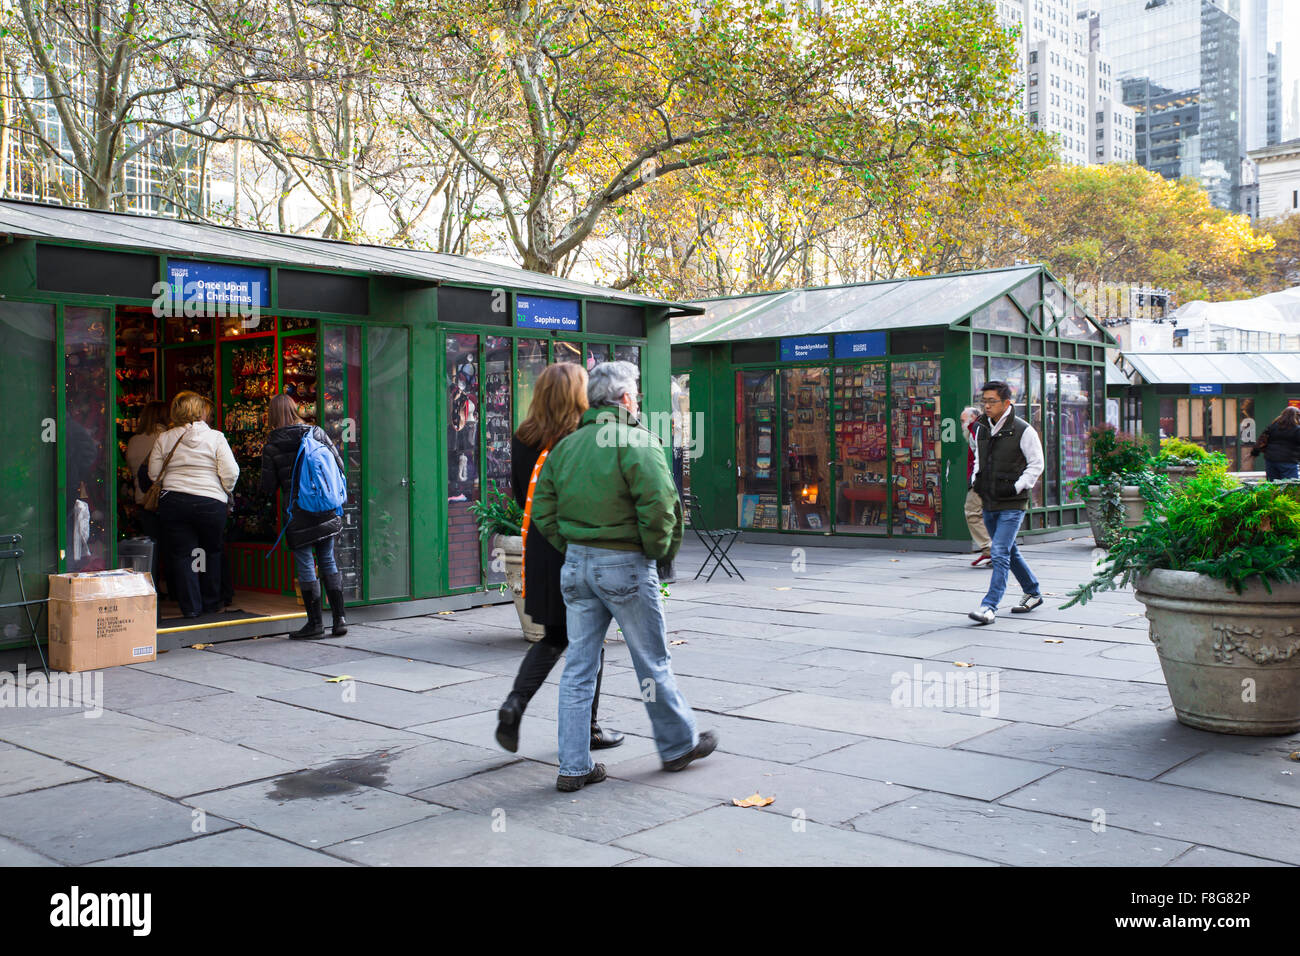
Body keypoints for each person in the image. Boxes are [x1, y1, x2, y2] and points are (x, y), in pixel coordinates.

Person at [531, 361, 716, 792]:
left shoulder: (566, 446)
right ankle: (676, 746)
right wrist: (656, 554)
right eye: (636, 393)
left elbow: (543, 511)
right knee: (651, 661)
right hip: (625, 564)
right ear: (626, 398)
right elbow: (663, 508)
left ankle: (574, 766)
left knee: (579, 666)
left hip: (577, 565)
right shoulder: (637, 440)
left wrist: (574, 547)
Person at [495, 364, 624, 754]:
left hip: (539, 541)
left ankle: (515, 703)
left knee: (554, 635)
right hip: (574, 542)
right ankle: (589, 729)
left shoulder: (523, 436)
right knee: (589, 637)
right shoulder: (581, 436)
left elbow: (521, 495)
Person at [260, 394, 348, 640]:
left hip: (297, 512)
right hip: (325, 507)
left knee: (307, 564)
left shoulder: (272, 444)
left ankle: (315, 624)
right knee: (328, 560)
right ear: (294, 409)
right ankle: (340, 619)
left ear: (272, 415)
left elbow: (267, 485)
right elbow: (339, 465)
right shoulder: (317, 433)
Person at [149, 392, 238, 618]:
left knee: (182, 555)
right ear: (200, 411)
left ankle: (190, 607)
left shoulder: (164, 438)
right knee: (212, 552)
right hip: (210, 502)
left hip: (175, 501)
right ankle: (211, 603)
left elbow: (153, 474)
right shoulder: (216, 437)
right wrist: (223, 489)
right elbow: (231, 472)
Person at [968, 381, 1044, 625]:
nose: (987, 406)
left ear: (1006, 403)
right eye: (984, 401)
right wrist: (975, 481)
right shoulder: (980, 428)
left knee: (999, 551)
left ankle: (989, 607)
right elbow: (979, 460)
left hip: (1013, 502)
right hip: (989, 500)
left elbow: (1037, 464)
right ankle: (1032, 591)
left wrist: (1016, 486)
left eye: (992, 401)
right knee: (1009, 550)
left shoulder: (1024, 430)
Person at [126, 400, 172, 595]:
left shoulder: (134, 441)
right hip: (161, 498)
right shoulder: (165, 438)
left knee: (150, 548)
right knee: (170, 547)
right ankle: (173, 587)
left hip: (142, 499)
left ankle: (150, 590)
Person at [961, 405, 992, 567]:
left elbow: (980, 456)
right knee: (985, 513)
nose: (961, 424)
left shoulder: (975, 430)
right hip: (987, 478)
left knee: (972, 512)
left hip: (980, 479)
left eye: (962, 420)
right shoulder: (982, 428)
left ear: (972, 418)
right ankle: (993, 549)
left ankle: (989, 549)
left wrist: (975, 480)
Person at [1253, 406, 1300, 481]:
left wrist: (1254, 453)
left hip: (1271, 460)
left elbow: (1262, 439)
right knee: (1290, 487)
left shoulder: (1273, 426)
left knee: (1273, 486)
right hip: (1288, 462)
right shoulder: (1297, 429)